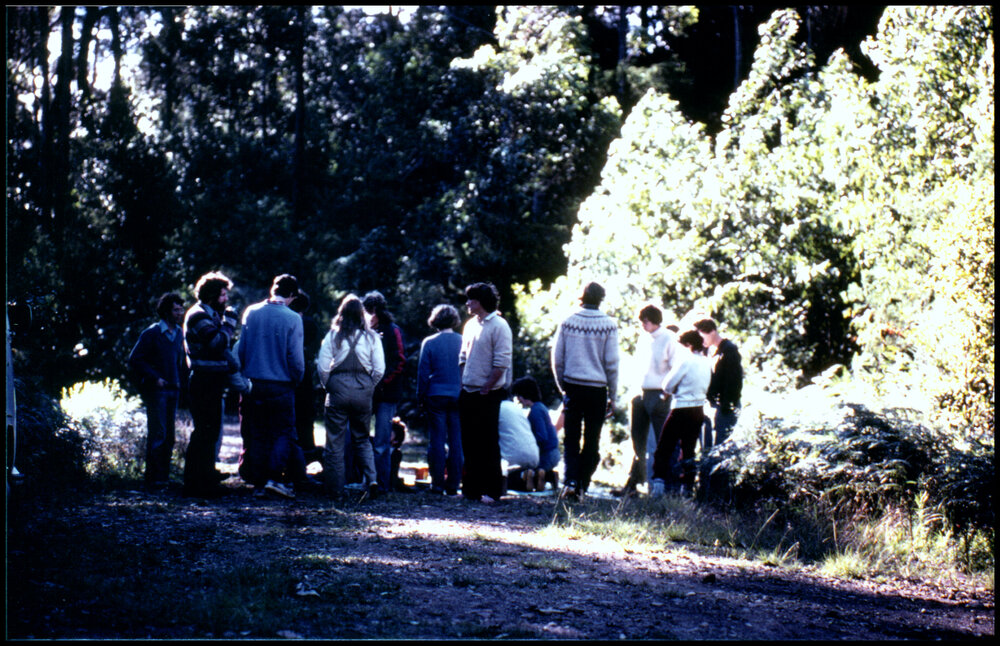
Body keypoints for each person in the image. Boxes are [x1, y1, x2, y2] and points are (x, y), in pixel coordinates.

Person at [236, 274, 306, 499]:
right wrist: (297, 378)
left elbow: (242, 349)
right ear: (292, 295)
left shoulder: (251, 312)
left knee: (257, 433)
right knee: (281, 433)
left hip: (254, 383)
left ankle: (257, 481)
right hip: (281, 384)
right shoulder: (293, 318)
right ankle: (274, 479)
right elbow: (295, 356)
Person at [551, 282, 619, 500]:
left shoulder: (568, 321)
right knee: (592, 439)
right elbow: (612, 364)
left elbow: (557, 359)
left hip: (573, 386)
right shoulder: (609, 324)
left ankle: (570, 480)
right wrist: (613, 395)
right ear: (601, 298)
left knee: (571, 437)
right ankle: (582, 485)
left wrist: (563, 386)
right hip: (597, 390)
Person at [317, 294, 384, 502]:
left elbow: (322, 366)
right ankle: (371, 480)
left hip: (338, 388)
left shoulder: (333, 335)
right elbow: (380, 369)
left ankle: (335, 490)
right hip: (363, 389)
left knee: (335, 441)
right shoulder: (372, 337)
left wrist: (328, 385)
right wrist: (368, 386)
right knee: (362, 438)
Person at [614, 305, 682, 497]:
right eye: (642, 321)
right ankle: (637, 481)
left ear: (655, 320)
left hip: (660, 393)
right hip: (641, 392)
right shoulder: (644, 339)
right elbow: (638, 365)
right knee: (638, 441)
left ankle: (664, 485)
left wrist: (666, 393)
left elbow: (676, 368)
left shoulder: (669, 338)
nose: (643, 325)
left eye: (646, 321)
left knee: (662, 442)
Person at [182, 271, 239, 497]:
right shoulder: (197, 316)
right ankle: (195, 482)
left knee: (211, 431)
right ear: (213, 295)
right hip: (202, 380)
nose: (226, 299)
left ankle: (206, 475)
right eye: (223, 295)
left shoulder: (211, 315)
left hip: (213, 380)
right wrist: (230, 323)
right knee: (204, 432)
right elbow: (217, 342)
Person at [458, 282, 512, 505]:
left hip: (488, 393)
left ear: (481, 302)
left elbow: (502, 361)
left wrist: (487, 386)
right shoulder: (471, 325)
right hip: (468, 390)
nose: (468, 303)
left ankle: (492, 490)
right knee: (468, 441)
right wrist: (465, 379)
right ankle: (471, 489)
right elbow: (463, 355)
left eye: (472, 299)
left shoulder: (499, 325)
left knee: (487, 441)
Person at [128, 292, 188, 489]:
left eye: (181, 309)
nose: (179, 313)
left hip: (174, 390)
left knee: (169, 435)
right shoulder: (152, 333)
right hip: (157, 391)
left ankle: (163, 477)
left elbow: (179, 361)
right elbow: (135, 359)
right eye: (175, 309)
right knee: (158, 433)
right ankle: (152, 479)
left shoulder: (179, 333)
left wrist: (180, 380)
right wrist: (155, 378)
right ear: (166, 311)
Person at [650, 330, 712, 497]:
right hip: (698, 409)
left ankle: (658, 486)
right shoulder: (707, 363)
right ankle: (688, 488)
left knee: (664, 447)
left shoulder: (685, 360)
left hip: (681, 408)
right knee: (689, 450)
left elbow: (667, 385)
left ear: (689, 345)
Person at [416, 304, 464, 495]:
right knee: (456, 441)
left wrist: (420, 397)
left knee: (436, 440)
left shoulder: (429, 342)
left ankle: (436, 484)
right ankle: (453, 484)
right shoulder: (463, 341)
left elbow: (423, 373)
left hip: (436, 394)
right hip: (458, 395)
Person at [362, 291, 407, 494]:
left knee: (381, 441)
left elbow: (399, 361)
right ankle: (364, 480)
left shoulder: (392, 331)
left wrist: (380, 383)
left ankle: (382, 483)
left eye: (371, 312)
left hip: (386, 394)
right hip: (364, 394)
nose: (368, 316)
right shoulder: (360, 332)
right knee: (360, 439)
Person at [694, 317, 743, 447]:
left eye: (702, 337)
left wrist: (727, 405)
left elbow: (735, 380)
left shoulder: (729, 350)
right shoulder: (711, 351)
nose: (700, 341)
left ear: (712, 332)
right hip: (716, 406)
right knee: (711, 446)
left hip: (727, 406)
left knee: (722, 447)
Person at [289, 289, 323, 466]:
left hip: (287, 372)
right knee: (305, 415)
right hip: (305, 371)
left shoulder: (291, 322)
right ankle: (305, 455)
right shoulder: (309, 325)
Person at [511, 376, 560, 492]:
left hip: (547, 454)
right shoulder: (540, 407)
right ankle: (546, 475)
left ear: (524, 394)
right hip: (552, 453)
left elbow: (542, 437)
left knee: (519, 471)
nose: (518, 399)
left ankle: (538, 474)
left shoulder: (536, 411)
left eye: (518, 396)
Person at [497, 398, 540, 491]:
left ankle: (521, 477)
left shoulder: (495, 408)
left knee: (500, 480)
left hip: (513, 458)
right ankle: (545, 476)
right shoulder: (515, 407)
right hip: (534, 455)